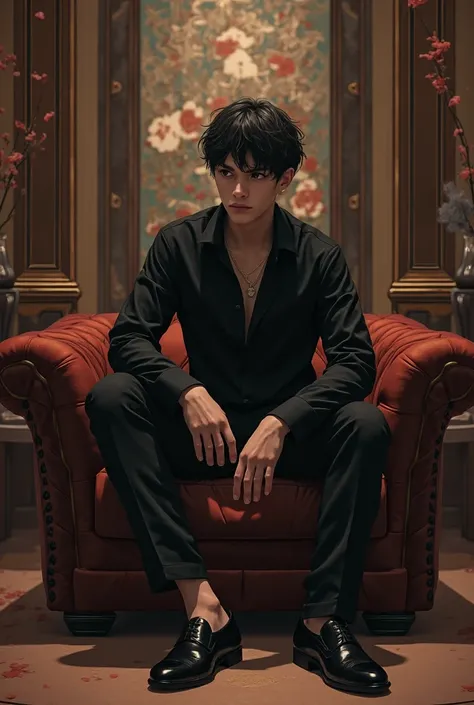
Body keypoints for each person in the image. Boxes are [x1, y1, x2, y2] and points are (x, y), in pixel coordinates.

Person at [85, 97, 392, 695]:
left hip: (287, 440)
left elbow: (356, 361)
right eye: (226, 172)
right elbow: (128, 338)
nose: (238, 189)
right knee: (112, 396)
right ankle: (204, 611)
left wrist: (284, 420)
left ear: (285, 178)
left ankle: (322, 622)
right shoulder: (177, 244)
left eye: (255, 174)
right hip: (204, 435)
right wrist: (186, 391)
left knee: (365, 424)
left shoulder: (320, 255)